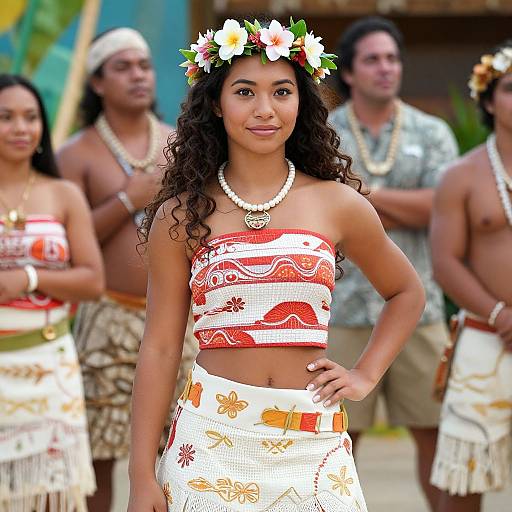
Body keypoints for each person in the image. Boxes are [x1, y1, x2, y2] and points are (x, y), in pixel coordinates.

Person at [127, 17, 426, 512]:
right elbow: (159, 349)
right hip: (210, 440)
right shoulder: (179, 216)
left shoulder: (339, 204)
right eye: (245, 92)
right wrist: (141, 476)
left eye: (281, 91)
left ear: (301, 103)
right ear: (215, 106)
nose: (265, 109)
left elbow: (406, 292)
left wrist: (364, 375)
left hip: (311, 438)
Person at [57, 27, 197, 511]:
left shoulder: (182, 143)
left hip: (181, 319)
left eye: (143, 65)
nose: (138, 75)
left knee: (181, 445)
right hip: (107, 318)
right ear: (97, 83)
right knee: (100, 449)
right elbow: (68, 244)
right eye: (122, 67)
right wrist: (126, 201)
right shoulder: (75, 154)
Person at [326, 16, 459, 511]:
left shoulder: (433, 131)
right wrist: (399, 203)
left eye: (393, 58)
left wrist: (358, 200)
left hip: (416, 308)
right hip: (338, 308)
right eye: (373, 59)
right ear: (351, 73)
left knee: (437, 438)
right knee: (335, 442)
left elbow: (442, 207)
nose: (386, 68)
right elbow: (317, 203)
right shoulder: (322, 132)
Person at [0, 74, 104, 510]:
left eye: (30, 117)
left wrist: (29, 279)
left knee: (49, 497)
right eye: (6, 118)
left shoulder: (63, 194)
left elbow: (93, 281)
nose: (21, 128)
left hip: (49, 362)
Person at [429, 42, 512, 512]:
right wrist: (499, 314)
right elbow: (445, 262)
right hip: (484, 333)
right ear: (487, 99)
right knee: (463, 475)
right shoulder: (461, 175)